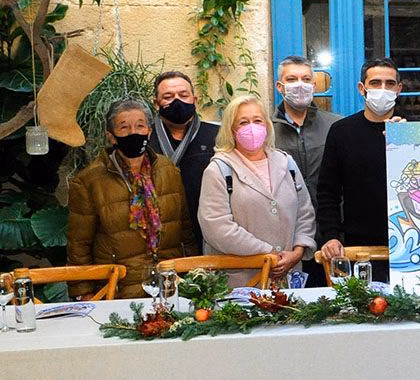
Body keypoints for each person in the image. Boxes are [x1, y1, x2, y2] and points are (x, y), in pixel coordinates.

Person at [67, 99, 194, 299]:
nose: (133, 132)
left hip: (170, 285)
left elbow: (185, 229)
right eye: (124, 127)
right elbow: (78, 245)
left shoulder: (168, 169)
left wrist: (193, 275)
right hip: (119, 291)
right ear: (112, 136)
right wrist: (83, 294)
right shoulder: (89, 181)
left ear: (149, 132)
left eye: (140, 126)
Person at [198, 94, 317, 288]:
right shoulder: (219, 170)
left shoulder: (286, 163)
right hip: (241, 281)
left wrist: (298, 251)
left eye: (257, 120)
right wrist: (268, 252)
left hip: (288, 275)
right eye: (243, 122)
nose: (251, 127)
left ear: (267, 125)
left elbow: (305, 212)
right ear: (231, 129)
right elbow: (217, 227)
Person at [317, 58, 405, 280]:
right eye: (375, 83)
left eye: (389, 83)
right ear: (362, 88)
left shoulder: (412, 130)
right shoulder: (341, 132)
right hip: (358, 247)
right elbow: (328, 191)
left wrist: (407, 143)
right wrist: (330, 235)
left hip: (409, 243)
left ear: (399, 89)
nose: (383, 89)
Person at [272, 55, 340, 285]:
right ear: (280, 86)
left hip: (332, 237)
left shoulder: (335, 126)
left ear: (314, 85)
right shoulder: (267, 131)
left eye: (305, 79)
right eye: (292, 79)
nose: (299, 85)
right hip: (288, 241)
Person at [147, 70, 218, 248]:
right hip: (159, 234)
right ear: (156, 104)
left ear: (195, 100)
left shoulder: (217, 136)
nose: (177, 101)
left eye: (183, 95)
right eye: (168, 96)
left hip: (208, 231)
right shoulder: (145, 139)